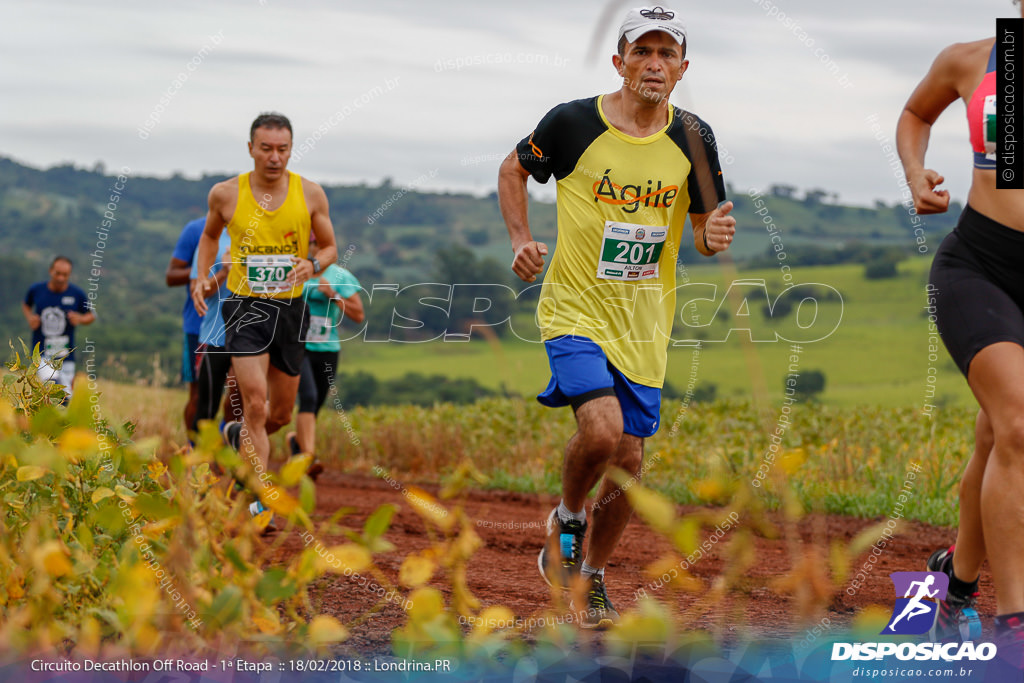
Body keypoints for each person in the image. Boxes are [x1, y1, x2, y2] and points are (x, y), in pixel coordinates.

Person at [497, 5, 735, 629]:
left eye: (665, 54)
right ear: (619, 61)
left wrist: (715, 234)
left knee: (629, 465)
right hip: (574, 305)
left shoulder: (694, 137)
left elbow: (706, 232)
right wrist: (520, 238)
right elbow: (514, 168)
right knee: (600, 434)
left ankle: (593, 576)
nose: (653, 64)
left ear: (683, 68)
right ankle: (568, 520)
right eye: (641, 52)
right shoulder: (574, 122)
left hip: (645, 322)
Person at [897, 0, 1024, 657]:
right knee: (1018, 423)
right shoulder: (973, 58)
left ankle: (956, 585)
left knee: (996, 434)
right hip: (982, 265)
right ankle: (1014, 623)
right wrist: (915, 171)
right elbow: (917, 114)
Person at [191, 112, 337, 523]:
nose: (275, 157)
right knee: (254, 403)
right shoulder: (225, 193)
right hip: (244, 306)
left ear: (291, 149)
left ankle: (237, 439)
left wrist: (312, 264)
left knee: (278, 415)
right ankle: (258, 498)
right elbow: (208, 236)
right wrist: (202, 276)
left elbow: (329, 248)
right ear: (251, 148)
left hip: (290, 309)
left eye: (283, 149)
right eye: (267, 148)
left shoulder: (310, 194)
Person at [285, 237, 365, 479]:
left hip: (327, 347)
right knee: (307, 397)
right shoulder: (293, 270)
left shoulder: (340, 276)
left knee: (316, 402)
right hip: (298, 345)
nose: (315, 247)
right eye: (311, 242)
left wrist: (333, 295)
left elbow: (358, 315)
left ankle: (296, 443)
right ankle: (309, 457)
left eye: (320, 243)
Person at [190, 228, 243, 436]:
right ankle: (198, 462)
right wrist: (224, 271)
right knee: (206, 406)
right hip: (215, 335)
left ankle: (230, 450)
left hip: (252, 337)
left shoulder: (263, 237)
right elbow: (199, 292)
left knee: (247, 404)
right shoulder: (212, 242)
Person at [22, 256, 95, 402]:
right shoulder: (36, 290)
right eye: (58, 273)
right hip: (42, 352)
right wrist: (31, 318)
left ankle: (59, 422)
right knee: (53, 386)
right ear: (51, 271)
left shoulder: (76, 294)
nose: (61, 278)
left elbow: (91, 315)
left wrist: (79, 319)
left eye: (65, 275)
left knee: (66, 395)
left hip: (66, 355)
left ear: (70, 275)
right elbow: (26, 304)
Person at [167, 217, 206, 434]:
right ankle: (192, 451)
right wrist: (203, 273)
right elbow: (171, 276)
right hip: (198, 326)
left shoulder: (251, 227)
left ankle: (228, 454)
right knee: (199, 395)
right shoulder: (195, 230)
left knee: (239, 397)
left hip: (241, 326)